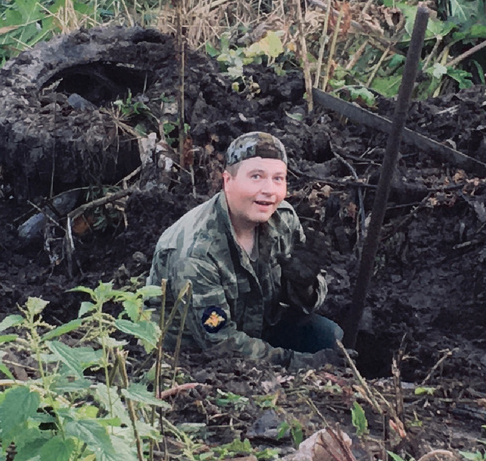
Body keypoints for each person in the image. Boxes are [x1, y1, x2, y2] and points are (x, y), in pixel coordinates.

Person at [147, 131, 343, 370]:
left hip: (257, 324)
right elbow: (219, 343)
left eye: (278, 178)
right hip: (193, 353)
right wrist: (299, 364)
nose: (269, 190)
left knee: (330, 338)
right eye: (256, 176)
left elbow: (306, 303)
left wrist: (305, 286)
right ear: (228, 181)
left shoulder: (283, 219)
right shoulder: (197, 251)